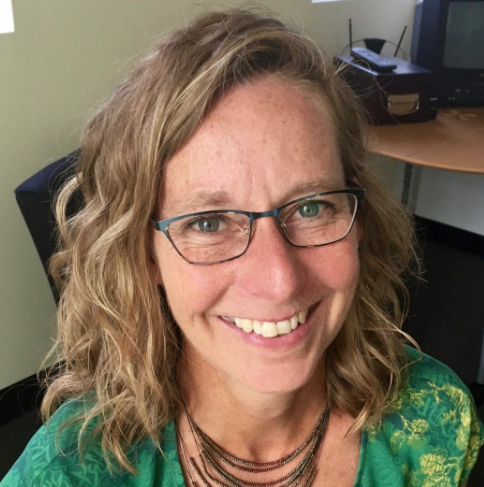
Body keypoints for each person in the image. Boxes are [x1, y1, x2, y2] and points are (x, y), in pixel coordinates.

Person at [1, 8, 483, 487]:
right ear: (146, 255)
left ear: (359, 222)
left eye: (312, 207)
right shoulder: (69, 473)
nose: (280, 281)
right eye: (209, 222)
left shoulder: (435, 419)